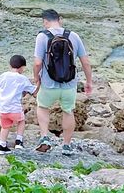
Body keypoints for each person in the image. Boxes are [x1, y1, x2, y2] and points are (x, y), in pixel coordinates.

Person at [33, 9, 93, 155]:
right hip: (69, 84)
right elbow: (85, 62)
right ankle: (66, 145)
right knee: (68, 111)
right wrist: (89, 81)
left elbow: (37, 63)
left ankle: (45, 137)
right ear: (60, 19)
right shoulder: (73, 36)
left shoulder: (42, 36)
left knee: (42, 107)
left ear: (45, 21)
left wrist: (36, 77)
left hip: (48, 83)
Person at [0, 54, 39, 155]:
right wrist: (39, 83)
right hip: (15, 107)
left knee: (5, 127)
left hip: (3, 108)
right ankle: (18, 141)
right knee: (21, 121)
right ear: (22, 67)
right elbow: (33, 90)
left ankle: (2, 145)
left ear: (10, 66)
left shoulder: (4, 75)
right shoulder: (22, 78)